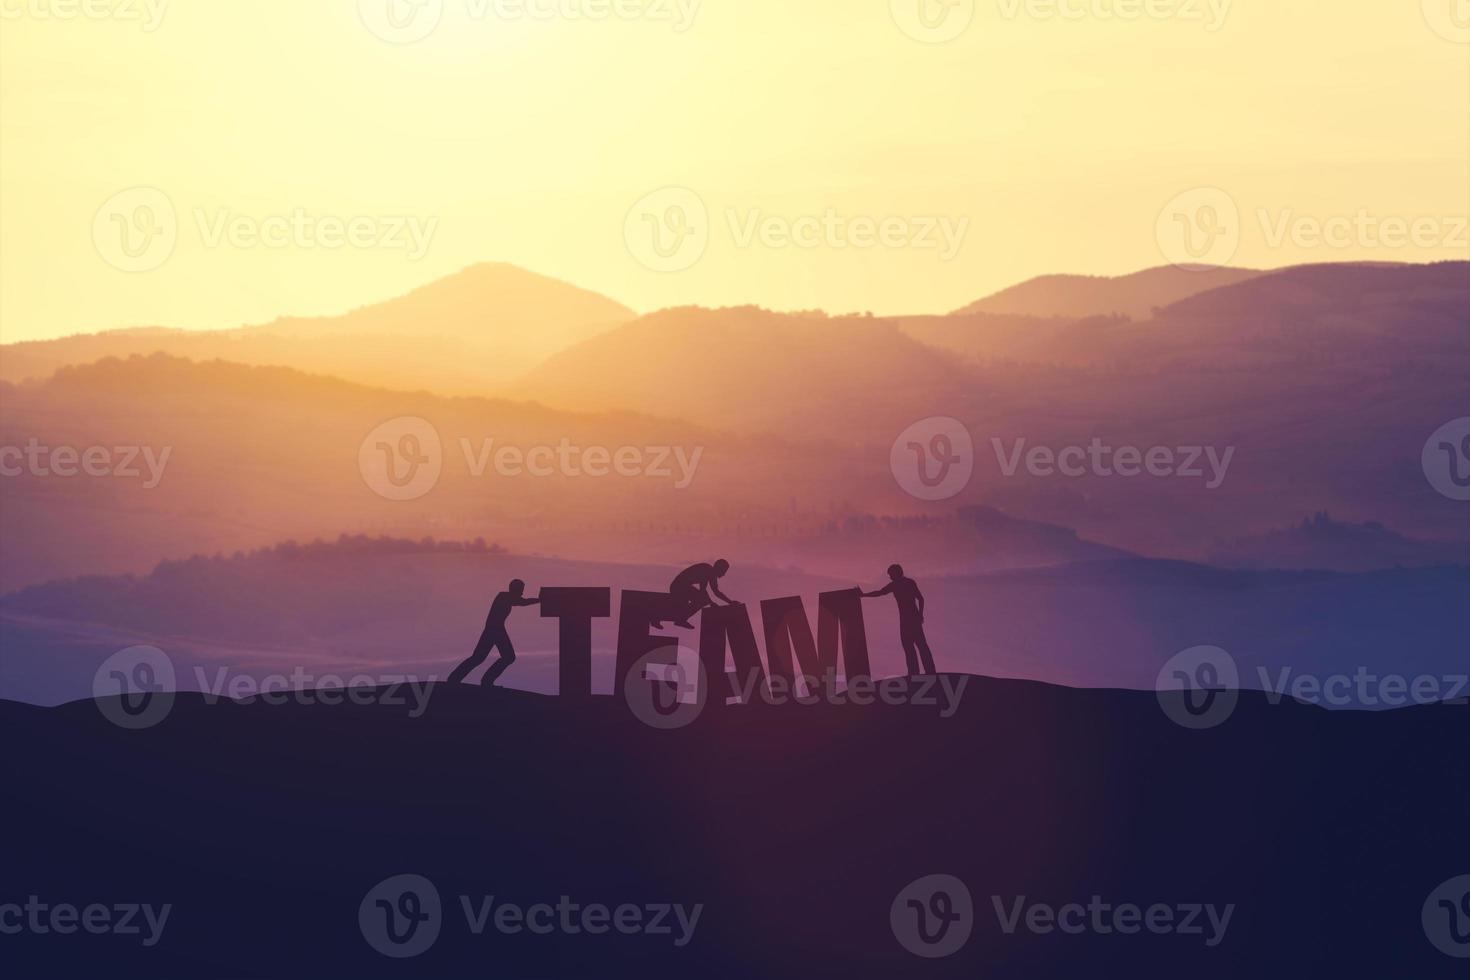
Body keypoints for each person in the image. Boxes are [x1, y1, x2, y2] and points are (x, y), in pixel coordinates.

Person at [448, 579, 540, 686]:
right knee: (502, 657)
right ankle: (476, 680)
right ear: (515, 589)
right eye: (521, 590)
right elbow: (523, 602)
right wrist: (540, 600)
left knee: (480, 657)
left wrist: (539, 600)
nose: (522, 593)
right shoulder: (504, 597)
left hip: (495, 629)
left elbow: (521, 601)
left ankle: (460, 679)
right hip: (495, 630)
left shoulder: (507, 598)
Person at [861, 564, 937, 676]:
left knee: (918, 645)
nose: (890, 577)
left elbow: (920, 598)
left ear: (897, 573)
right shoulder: (897, 584)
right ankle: (916, 672)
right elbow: (880, 592)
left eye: (891, 575)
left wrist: (920, 614)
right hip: (907, 619)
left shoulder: (905, 583)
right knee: (911, 646)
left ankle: (927, 671)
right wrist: (864, 595)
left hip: (911, 619)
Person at [657, 559, 736, 629]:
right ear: (719, 569)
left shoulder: (711, 574)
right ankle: (680, 619)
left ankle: (674, 618)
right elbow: (704, 591)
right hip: (679, 587)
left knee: (700, 601)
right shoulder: (707, 570)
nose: (724, 574)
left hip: (683, 587)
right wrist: (711, 602)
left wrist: (729, 602)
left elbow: (714, 591)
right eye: (724, 571)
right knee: (701, 601)